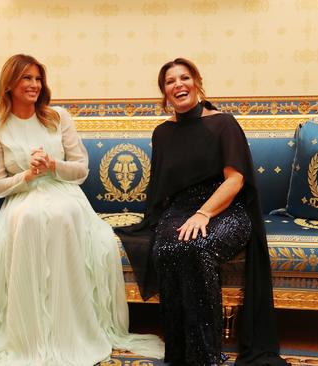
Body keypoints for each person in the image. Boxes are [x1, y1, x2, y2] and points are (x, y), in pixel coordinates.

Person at [0, 54, 163, 365]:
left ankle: (69, 324)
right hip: (22, 197)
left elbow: (80, 170)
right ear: (10, 84)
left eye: (38, 79)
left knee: (60, 215)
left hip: (64, 191)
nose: (34, 85)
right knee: (29, 217)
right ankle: (29, 332)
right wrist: (27, 175)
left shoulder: (58, 117)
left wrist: (53, 166)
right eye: (27, 78)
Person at [116, 58, 287, 366]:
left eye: (184, 78)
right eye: (170, 81)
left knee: (195, 247)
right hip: (180, 210)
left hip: (224, 208)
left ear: (196, 82)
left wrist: (204, 214)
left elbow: (235, 180)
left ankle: (205, 355)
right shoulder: (162, 133)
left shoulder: (223, 122)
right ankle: (180, 352)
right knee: (168, 247)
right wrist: (171, 219)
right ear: (164, 92)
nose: (178, 84)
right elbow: (162, 188)